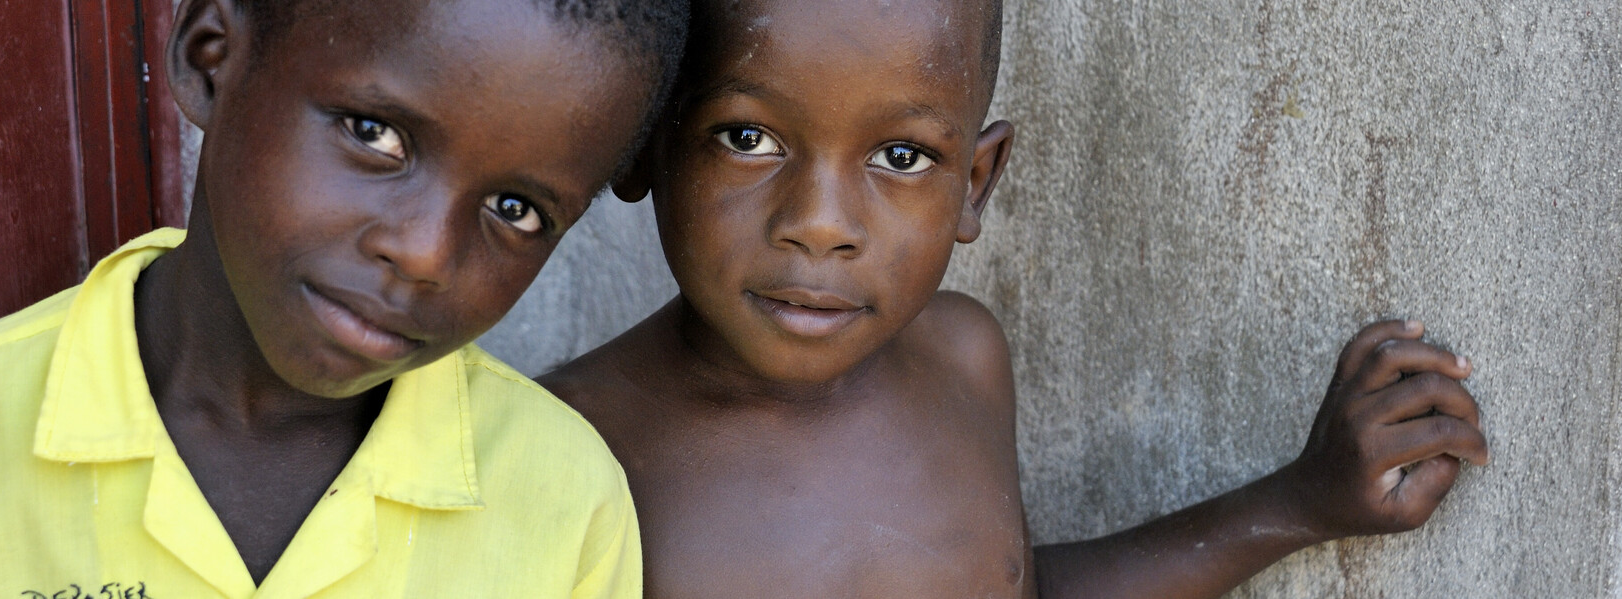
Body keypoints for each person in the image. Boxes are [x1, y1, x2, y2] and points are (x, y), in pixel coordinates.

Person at [537, 0, 1490, 596]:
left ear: (975, 183)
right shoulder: (566, 453)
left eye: (900, 155)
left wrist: (1301, 502)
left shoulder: (961, 358)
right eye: (748, 138)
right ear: (646, 145)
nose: (820, 223)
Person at [0, 0, 687, 596]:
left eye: (516, 210)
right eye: (375, 134)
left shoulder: (561, 500)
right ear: (210, 58)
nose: (423, 254)